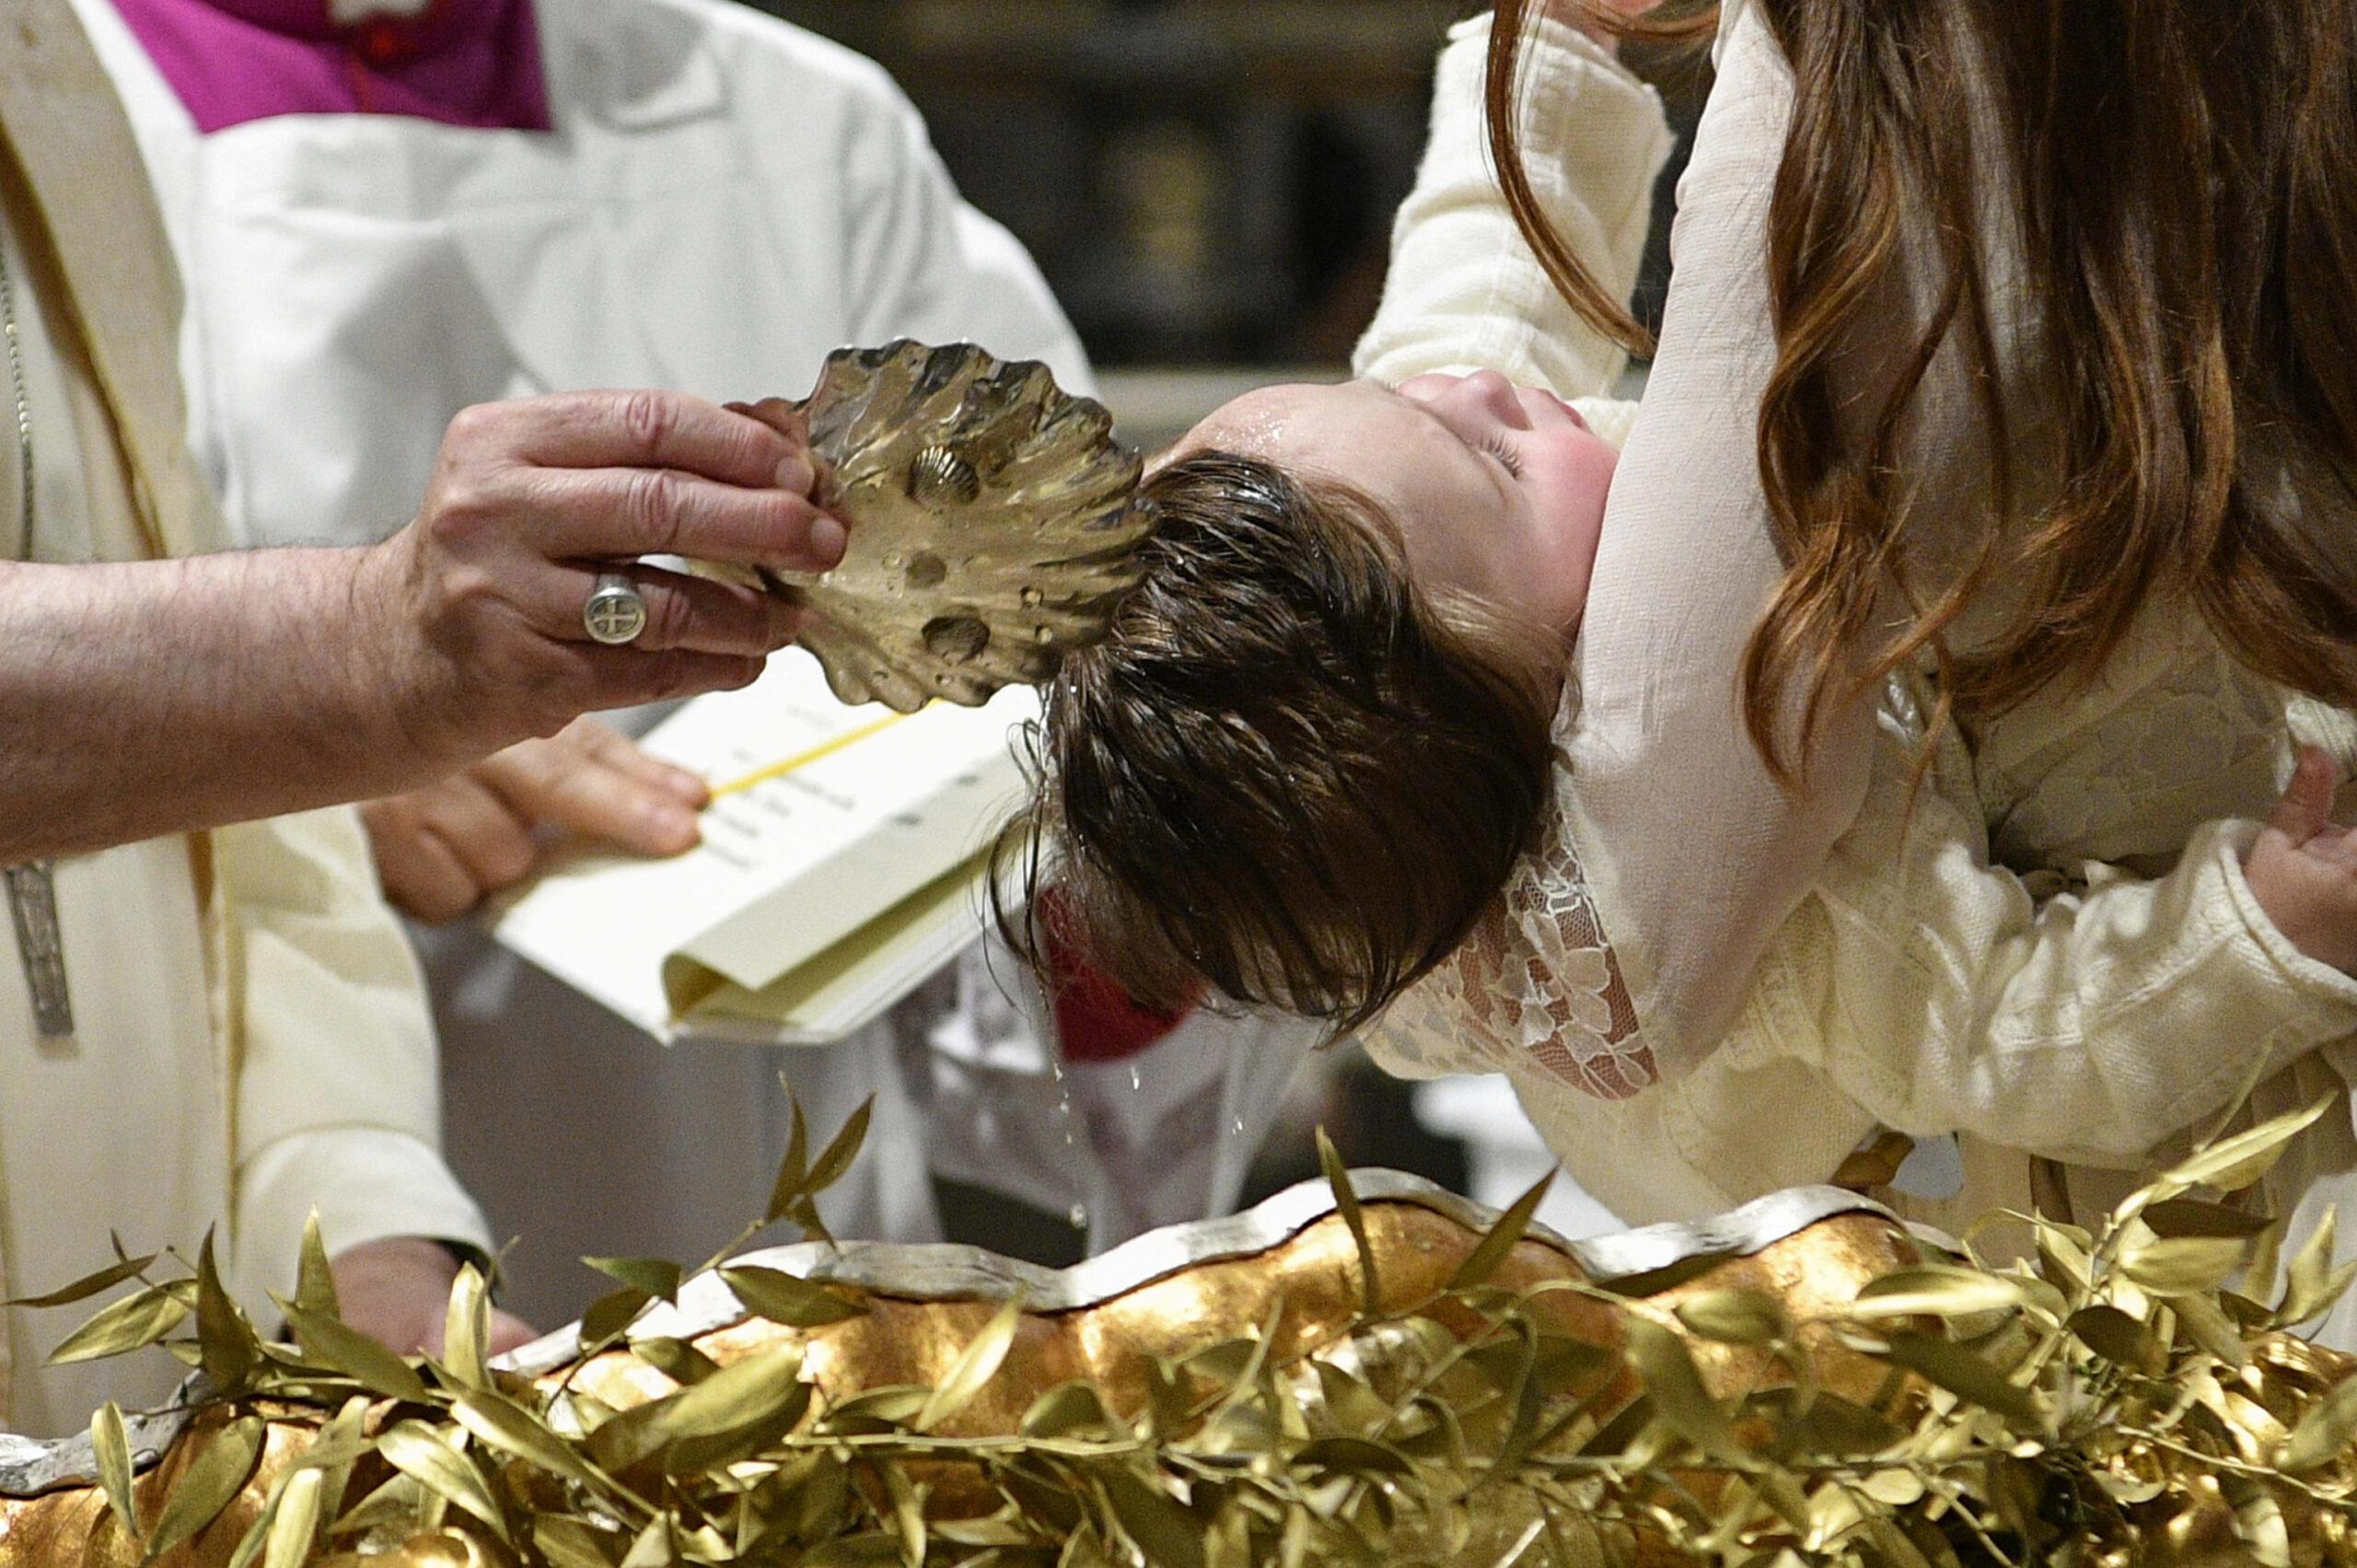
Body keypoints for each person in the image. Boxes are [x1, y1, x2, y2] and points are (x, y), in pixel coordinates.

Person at [67, 0, 1332, 1318]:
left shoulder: (797, 129)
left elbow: (1046, 699)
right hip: (189, 1223)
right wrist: (290, 737)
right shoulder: (50, 120)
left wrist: (1147, 845)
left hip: (753, 1223)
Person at [1260, 0, 2357, 1277]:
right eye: (1496, 460)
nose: (1479, 388)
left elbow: (1464, 312)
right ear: (1545, 685)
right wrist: (2257, 935)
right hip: (2102, 1230)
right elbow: (2015, 1033)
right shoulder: (1806, 895)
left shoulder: (1437, 578)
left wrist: (1553, 47)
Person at [0, 0, 850, 1434]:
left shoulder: (38, 66)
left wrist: (356, 1239)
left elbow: (236, 869)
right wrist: (360, 651)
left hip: (144, 1422)